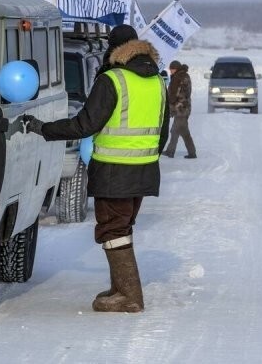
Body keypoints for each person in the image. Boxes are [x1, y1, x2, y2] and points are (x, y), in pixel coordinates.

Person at [22, 24, 169, 313]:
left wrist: (43, 129)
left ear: (114, 51)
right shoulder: (157, 83)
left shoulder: (113, 80)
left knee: (113, 230)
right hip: (144, 171)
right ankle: (119, 288)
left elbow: (85, 125)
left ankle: (130, 296)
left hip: (115, 172)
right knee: (122, 228)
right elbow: (162, 134)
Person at [162, 60, 197, 159]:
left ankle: (170, 151)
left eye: (171, 69)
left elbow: (173, 94)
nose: (170, 71)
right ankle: (192, 152)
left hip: (180, 109)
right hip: (186, 108)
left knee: (175, 130)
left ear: (175, 69)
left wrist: (170, 105)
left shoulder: (177, 77)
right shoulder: (186, 76)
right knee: (184, 131)